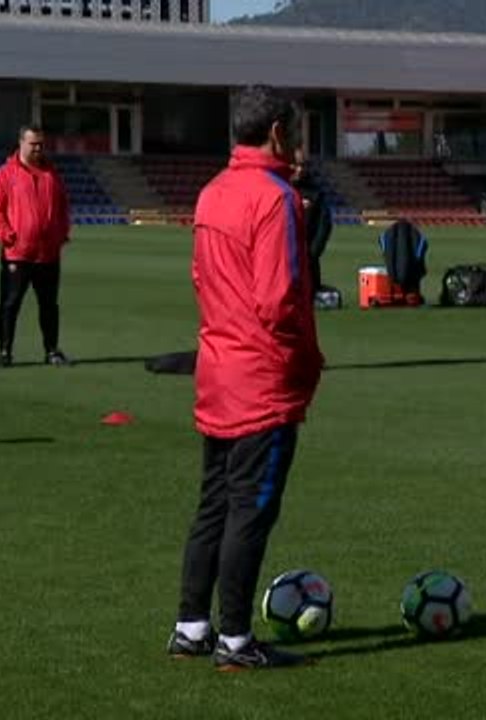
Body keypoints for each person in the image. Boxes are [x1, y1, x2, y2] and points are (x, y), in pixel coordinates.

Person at [167, 86, 324, 671]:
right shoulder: (276, 198)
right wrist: (307, 361)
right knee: (250, 509)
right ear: (277, 133)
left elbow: (200, 278)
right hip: (262, 378)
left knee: (214, 502)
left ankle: (191, 627)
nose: (300, 143)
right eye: (296, 131)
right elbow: (279, 299)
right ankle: (235, 639)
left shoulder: (211, 192)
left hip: (218, 370)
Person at [0, 125, 71, 368]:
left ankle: (52, 350)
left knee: (49, 305)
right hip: (18, 253)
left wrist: (61, 234)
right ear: (21, 143)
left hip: (48, 254)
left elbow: (63, 207)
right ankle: (4, 351)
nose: (38, 148)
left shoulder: (52, 174)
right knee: (10, 303)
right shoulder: (5, 174)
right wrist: (6, 236)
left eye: (41, 144)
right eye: (33, 144)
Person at [290, 148, 334, 296]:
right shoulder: (275, 189)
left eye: (303, 165)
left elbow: (324, 225)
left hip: (308, 261)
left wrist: (313, 253)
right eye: (295, 164)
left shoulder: (315, 192)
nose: (300, 169)